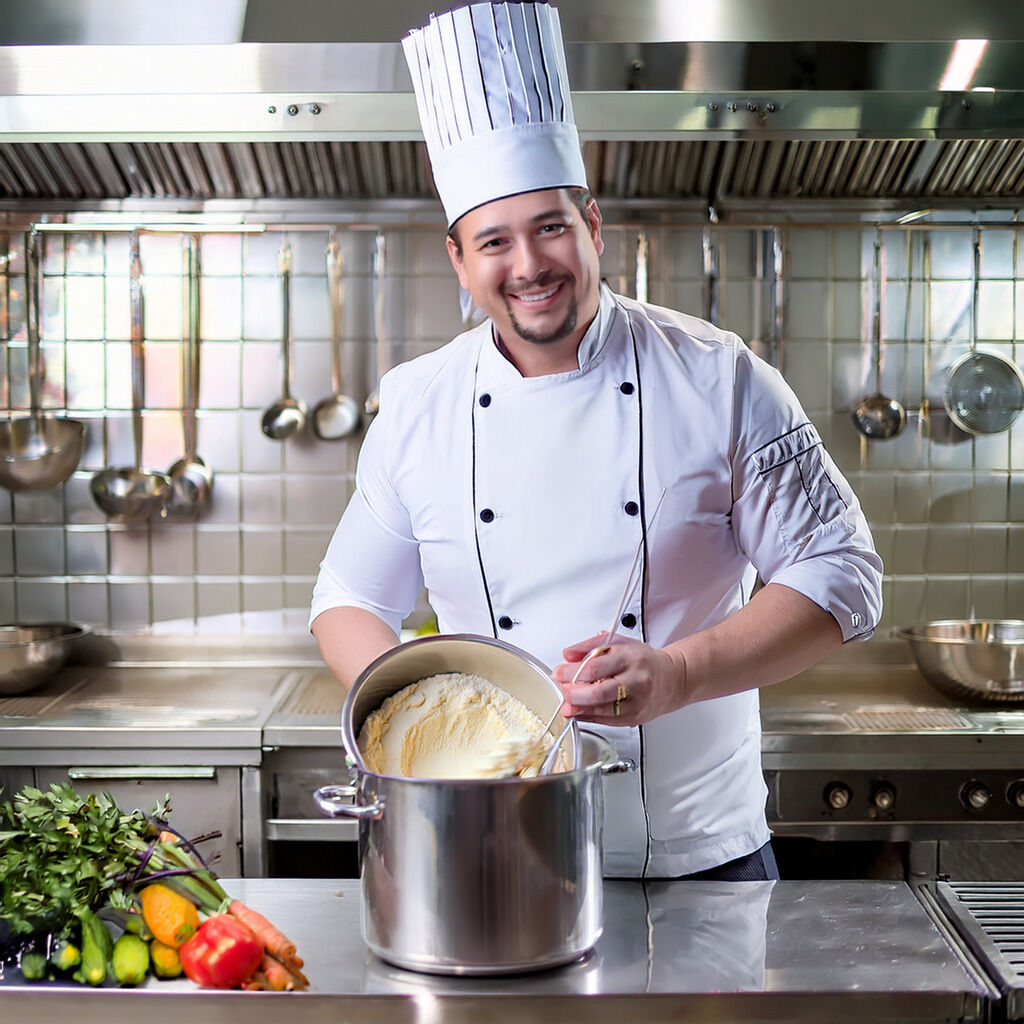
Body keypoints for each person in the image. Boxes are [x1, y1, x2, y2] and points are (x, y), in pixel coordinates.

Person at [310, 1, 883, 880]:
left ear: (593, 225)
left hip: (700, 859)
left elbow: (842, 573)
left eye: (550, 226)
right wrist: (423, 726)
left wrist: (682, 674)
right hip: (485, 858)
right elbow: (349, 598)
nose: (529, 264)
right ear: (458, 261)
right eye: (494, 240)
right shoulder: (420, 406)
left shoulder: (718, 378)